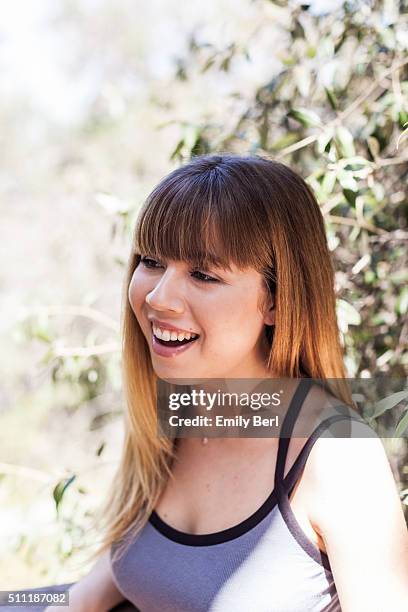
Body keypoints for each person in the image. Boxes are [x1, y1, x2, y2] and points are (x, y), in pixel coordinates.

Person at [46, 154, 408, 612]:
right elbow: (86, 595)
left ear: (276, 301)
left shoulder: (338, 454)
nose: (159, 297)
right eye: (152, 261)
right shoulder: (172, 420)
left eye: (203, 274)